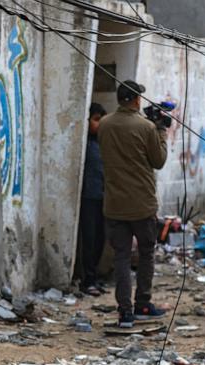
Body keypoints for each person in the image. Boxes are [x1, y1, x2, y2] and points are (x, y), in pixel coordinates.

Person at [98, 80, 168, 328]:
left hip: (114, 203)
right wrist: (161, 131)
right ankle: (143, 303)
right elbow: (158, 161)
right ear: (137, 100)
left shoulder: (104, 125)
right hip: (142, 204)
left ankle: (125, 311)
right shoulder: (146, 127)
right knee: (147, 253)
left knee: (121, 258)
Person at [77, 103, 107, 296]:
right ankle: (87, 279)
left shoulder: (103, 143)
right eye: (96, 120)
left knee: (99, 239)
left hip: (103, 197)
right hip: (88, 197)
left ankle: (94, 277)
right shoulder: (84, 144)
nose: (100, 124)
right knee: (88, 239)